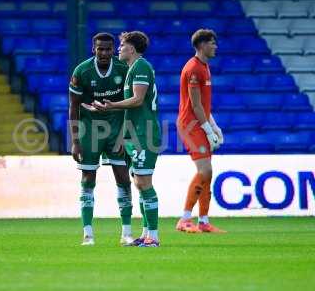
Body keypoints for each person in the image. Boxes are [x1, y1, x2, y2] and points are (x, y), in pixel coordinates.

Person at [83, 31, 161, 247]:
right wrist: (101, 109)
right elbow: (130, 105)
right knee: (138, 183)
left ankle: (153, 237)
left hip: (144, 133)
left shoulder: (142, 67)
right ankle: (146, 234)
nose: (118, 49)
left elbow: (137, 100)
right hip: (134, 133)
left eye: (122, 45)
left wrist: (112, 105)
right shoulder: (131, 70)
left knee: (144, 183)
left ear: (132, 49)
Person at [69, 32, 134, 246]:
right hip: (90, 130)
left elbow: (132, 103)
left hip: (116, 128)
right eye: (100, 49)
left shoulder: (123, 69)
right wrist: (76, 141)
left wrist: (126, 135)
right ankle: (88, 234)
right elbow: (74, 107)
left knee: (124, 180)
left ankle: (126, 233)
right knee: (88, 181)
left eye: (108, 49)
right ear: (93, 49)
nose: (104, 53)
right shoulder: (82, 71)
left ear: (113, 50)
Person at [176, 29, 226, 233]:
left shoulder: (205, 67)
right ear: (201, 45)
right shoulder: (194, 68)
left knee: (208, 172)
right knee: (204, 170)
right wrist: (207, 128)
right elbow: (195, 106)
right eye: (212, 43)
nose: (215, 46)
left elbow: (204, 105)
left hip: (200, 122)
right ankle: (184, 219)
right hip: (190, 124)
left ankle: (203, 221)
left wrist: (214, 127)